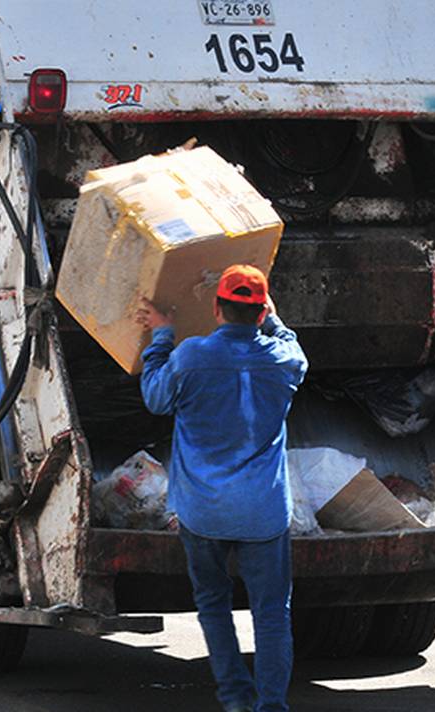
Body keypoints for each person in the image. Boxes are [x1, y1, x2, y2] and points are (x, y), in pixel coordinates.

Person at [135, 264, 308, 712]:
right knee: (272, 615)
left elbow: (155, 398)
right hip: (263, 514)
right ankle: (271, 706)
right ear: (260, 311)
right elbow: (292, 346)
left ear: (216, 309)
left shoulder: (191, 357)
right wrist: (273, 320)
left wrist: (161, 336)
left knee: (213, 604)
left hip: (204, 512)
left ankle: (235, 699)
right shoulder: (284, 362)